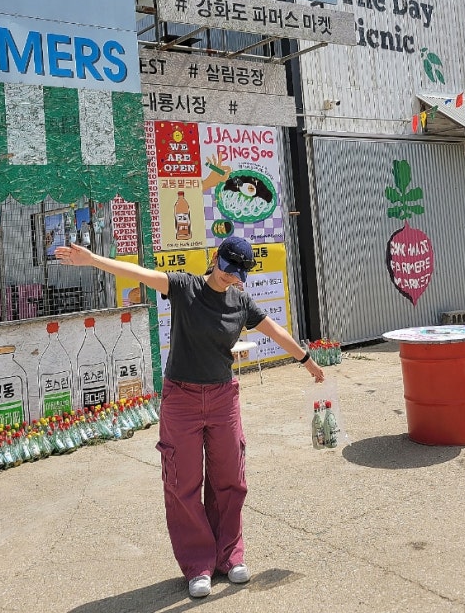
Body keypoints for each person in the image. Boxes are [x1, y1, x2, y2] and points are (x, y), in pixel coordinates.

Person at [55, 235, 324, 599]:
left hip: (222, 397)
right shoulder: (185, 287)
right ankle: (198, 565)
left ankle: (229, 556)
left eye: (239, 273)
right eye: (228, 269)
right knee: (182, 482)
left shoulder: (240, 300)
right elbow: (139, 272)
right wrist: (92, 260)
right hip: (181, 397)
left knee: (230, 477)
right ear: (215, 259)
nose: (231, 277)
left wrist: (306, 361)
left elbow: (273, 329)